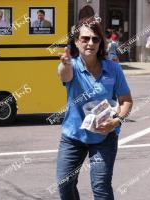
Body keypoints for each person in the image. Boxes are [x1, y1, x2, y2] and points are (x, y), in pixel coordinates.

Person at [57, 16, 133, 200]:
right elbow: (64, 75)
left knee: (101, 187)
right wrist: (64, 64)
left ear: (101, 42)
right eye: (85, 38)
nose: (90, 43)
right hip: (73, 137)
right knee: (64, 185)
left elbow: (126, 100)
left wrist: (116, 121)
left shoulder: (113, 69)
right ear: (76, 42)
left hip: (104, 137)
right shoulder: (72, 66)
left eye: (95, 39)